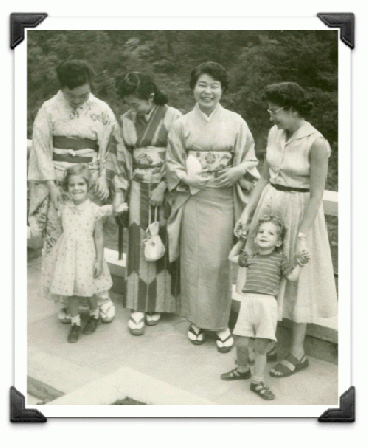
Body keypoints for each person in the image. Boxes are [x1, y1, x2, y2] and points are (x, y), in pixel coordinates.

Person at [234, 82, 338, 377]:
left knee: (296, 280)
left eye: (274, 110)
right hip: (270, 208)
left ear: (293, 109)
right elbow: (264, 177)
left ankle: (298, 352)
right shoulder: (274, 133)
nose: (271, 116)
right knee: (267, 275)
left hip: (299, 214)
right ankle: (271, 341)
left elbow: (317, 194)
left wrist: (302, 236)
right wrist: (247, 212)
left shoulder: (316, 143)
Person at [166, 61, 259, 353]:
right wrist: (186, 177)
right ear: (193, 88)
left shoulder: (236, 122)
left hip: (222, 199)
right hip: (195, 198)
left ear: (222, 89)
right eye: (202, 85)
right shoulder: (181, 124)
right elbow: (172, 163)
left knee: (218, 264)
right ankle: (195, 320)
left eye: (214, 86)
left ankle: (220, 324)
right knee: (193, 262)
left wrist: (237, 171)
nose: (208, 91)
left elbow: (251, 160)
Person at [28, 59, 119, 324]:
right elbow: (41, 149)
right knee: (59, 242)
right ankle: (66, 299)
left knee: (91, 242)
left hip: (87, 180)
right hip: (59, 182)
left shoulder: (101, 110)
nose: (79, 100)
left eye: (84, 94)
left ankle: (101, 298)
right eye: (72, 95)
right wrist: (52, 186)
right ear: (63, 89)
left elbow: (110, 145)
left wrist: (103, 176)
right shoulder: (49, 109)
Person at [114, 72, 182, 335]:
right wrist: (120, 196)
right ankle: (138, 305)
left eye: (136, 103)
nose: (132, 108)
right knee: (138, 242)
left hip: (165, 189)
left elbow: (179, 155)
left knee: (163, 240)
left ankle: (159, 303)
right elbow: (121, 158)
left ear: (150, 97)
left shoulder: (173, 116)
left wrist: (164, 185)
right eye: (129, 104)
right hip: (138, 187)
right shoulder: (126, 120)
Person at [221, 215, 310, 400]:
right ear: (255, 238)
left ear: (278, 242)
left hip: (267, 305)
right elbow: (231, 257)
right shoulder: (250, 257)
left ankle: (257, 381)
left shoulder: (280, 260)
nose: (264, 235)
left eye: (270, 233)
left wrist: (300, 263)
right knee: (241, 341)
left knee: (261, 347)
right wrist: (241, 241)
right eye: (261, 232)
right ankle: (242, 369)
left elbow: (292, 277)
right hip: (248, 303)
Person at [42, 165, 113, 343]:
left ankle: (94, 315)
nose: (76, 188)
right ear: (67, 187)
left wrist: (98, 260)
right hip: (68, 256)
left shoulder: (94, 210)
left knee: (89, 290)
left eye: (81, 184)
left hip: (86, 256)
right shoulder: (64, 208)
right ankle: (75, 322)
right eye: (72, 185)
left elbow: (98, 237)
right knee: (71, 292)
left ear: (88, 186)